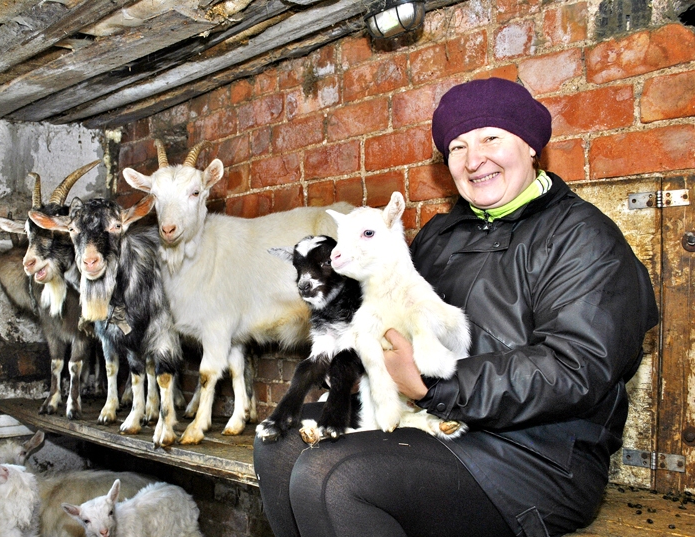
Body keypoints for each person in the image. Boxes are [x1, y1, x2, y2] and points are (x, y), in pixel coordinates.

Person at [252, 77, 659, 537]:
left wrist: (433, 384)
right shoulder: (440, 235)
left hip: (537, 455)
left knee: (331, 476)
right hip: (434, 421)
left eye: (491, 138)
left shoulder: (582, 237)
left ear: (531, 146)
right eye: (458, 147)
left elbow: (576, 369)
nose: (474, 159)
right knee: (279, 445)